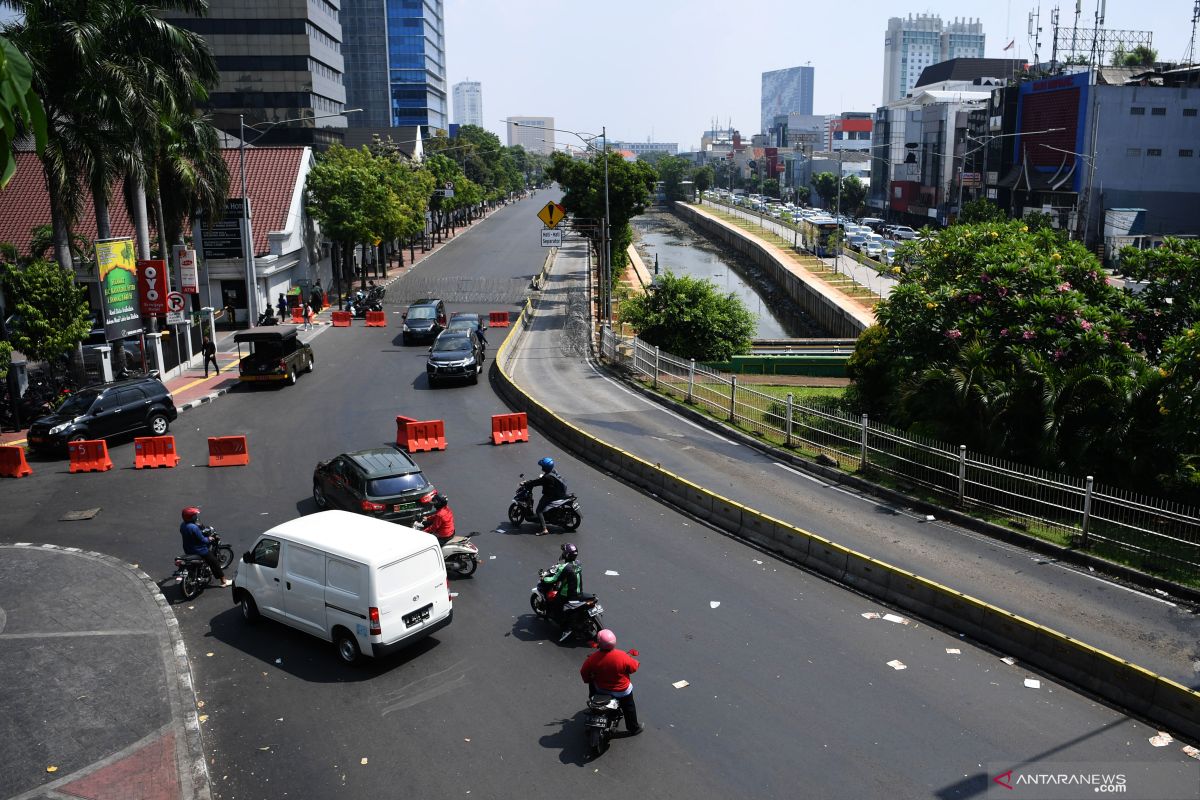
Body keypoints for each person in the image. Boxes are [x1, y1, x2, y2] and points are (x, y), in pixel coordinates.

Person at [580, 629, 642, 734]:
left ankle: (593, 701)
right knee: (629, 707)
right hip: (621, 691)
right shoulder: (622, 656)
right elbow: (633, 668)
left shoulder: (592, 659)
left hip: (601, 690)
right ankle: (633, 728)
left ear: (599, 643)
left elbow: (584, 673)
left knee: (592, 682)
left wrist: (588, 680)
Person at [179, 507, 230, 587]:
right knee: (215, 562)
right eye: (194, 515)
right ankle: (223, 581)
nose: (196, 516)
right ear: (191, 517)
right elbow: (203, 540)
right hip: (199, 550)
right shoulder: (194, 527)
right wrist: (209, 538)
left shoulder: (183, 525)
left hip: (188, 549)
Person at [541, 542, 583, 640]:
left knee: (556, 605)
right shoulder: (578, 563)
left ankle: (564, 626)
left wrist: (543, 578)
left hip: (568, 594)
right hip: (579, 591)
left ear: (567, 555)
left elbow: (554, 579)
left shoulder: (565, 568)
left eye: (564, 552)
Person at [523, 456, 567, 535]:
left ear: (545, 467)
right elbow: (542, 480)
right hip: (558, 493)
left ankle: (544, 529)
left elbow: (536, 482)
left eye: (542, 466)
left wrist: (526, 483)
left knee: (539, 510)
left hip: (551, 495)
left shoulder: (547, 477)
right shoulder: (553, 472)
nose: (541, 467)